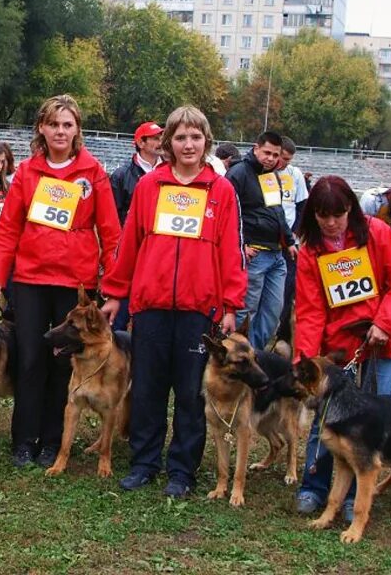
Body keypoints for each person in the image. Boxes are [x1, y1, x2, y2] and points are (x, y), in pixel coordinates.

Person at [100, 105, 246, 497]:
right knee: (147, 389)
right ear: (168, 143)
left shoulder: (222, 190)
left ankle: (182, 469)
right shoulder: (150, 188)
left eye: (195, 137)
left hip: (200, 309)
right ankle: (145, 462)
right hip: (151, 306)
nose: (188, 144)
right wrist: (116, 292)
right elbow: (129, 243)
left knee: (189, 392)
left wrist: (231, 304)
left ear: (206, 142)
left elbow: (231, 250)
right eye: (180, 137)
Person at [0, 94, 121, 468]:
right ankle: (24, 440)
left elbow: (110, 233)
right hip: (29, 280)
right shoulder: (27, 172)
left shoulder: (94, 173)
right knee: (29, 359)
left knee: (64, 362)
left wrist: (113, 287)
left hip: (75, 283)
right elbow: (8, 229)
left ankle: (52, 441)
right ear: (41, 128)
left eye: (67, 124)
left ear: (77, 129)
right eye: (53, 124)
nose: (60, 131)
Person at [294, 175, 391, 520]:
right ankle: (313, 485)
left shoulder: (378, 233)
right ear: (313, 215)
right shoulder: (310, 251)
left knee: (371, 418)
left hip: (383, 340)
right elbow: (310, 310)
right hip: (339, 347)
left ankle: (354, 498)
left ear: (351, 209)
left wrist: (384, 323)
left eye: (339, 214)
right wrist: (307, 360)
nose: (331, 223)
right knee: (327, 416)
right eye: (323, 215)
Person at [227, 131, 296, 351]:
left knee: (273, 312)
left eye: (276, 155)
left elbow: (278, 211)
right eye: (267, 153)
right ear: (255, 148)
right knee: (246, 311)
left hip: (276, 254)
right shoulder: (238, 173)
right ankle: (228, 356)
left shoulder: (272, 176)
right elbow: (227, 214)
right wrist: (240, 245)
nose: (271, 159)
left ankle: (252, 356)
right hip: (253, 253)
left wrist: (289, 240)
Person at [109, 121, 164, 331]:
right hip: (129, 252)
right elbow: (113, 217)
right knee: (119, 315)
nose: (160, 142)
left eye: (161, 137)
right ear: (141, 142)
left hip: (157, 253)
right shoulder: (121, 175)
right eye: (156, 138)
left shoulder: (172, 173)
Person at [276, 136, 309, 343]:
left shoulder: (295, 174)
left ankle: (283, 333)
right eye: (283, 158)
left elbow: (302, 206)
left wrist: (294, 234)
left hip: (289, 244)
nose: (284, 163)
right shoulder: (263, 173)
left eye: (288, 160)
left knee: (288, 290)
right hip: (267, 242)